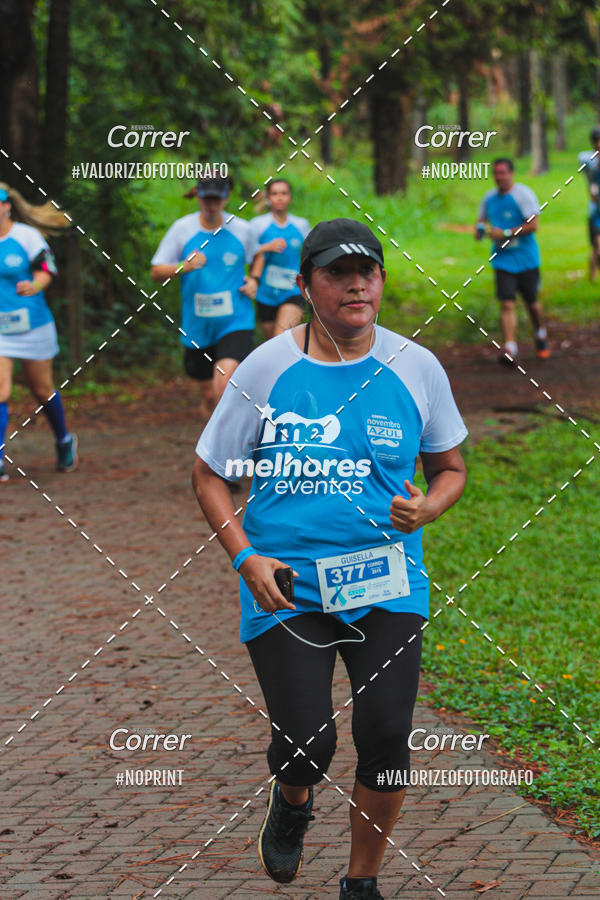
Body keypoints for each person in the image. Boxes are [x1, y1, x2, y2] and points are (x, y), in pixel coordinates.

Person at [192, 219, 468, 900]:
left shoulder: (416, 367)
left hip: (387, 582)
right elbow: (208, 474)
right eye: (337, 274)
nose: (355, 284)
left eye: (367, 271)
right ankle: (292, 800)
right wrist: (245, 558)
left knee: (388, 738)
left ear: (381, 280)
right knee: (308, 747)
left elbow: (451, 468)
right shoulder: (267, 368)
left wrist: (430, 507)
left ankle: (361, 882)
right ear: (307, 284)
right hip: (287, 586)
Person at [151, 174, 257, 420]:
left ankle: (223, 448)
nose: (211, 205)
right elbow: (156, 271)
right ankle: (212, 437)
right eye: (206, 199)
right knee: (210, 396)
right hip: (197, 325)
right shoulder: (182, 229)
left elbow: (258, 256)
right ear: (197, 196)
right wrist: (184, 267)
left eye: (216, 200)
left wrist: (255, 280)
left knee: (224, 386)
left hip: (236, 320)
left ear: (226, 197)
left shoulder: (242, 229)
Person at [0, 183, 78, 482]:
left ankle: (63, 440)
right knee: (1, 390)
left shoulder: (26, 236)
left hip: (32, 325)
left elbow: (45, 269)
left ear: (7, 206)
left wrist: (35, 285)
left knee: (42, 390)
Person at [475, 157, 550, 364]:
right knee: (507, 303)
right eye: (495, 173)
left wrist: (506, 232)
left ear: (511, 173)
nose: (498, 177)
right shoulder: (489, 198)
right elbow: (481, 220)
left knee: (532, 304)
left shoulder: (523, 195)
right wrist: (480, 230)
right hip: (502, 260)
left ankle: (540, 333)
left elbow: (534, 225)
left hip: (526, 259)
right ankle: (510, 347)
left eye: (502, 173)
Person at [249, 179, 310, 338]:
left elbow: (311, 254)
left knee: (281, 337)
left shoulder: (301, 225)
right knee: (272, 343)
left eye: (284, 193)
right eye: (275, 194)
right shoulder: (257, 225)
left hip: (293, 289)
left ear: (290, 197)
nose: (280, 198)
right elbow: (246, 254)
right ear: (268, 198)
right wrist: (266, 247)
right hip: (265, 293)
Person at [578, 126, 600, 281]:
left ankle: (591, 275)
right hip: (596, 210)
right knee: (597, 245)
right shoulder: (588, 160)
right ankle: (592, 274)